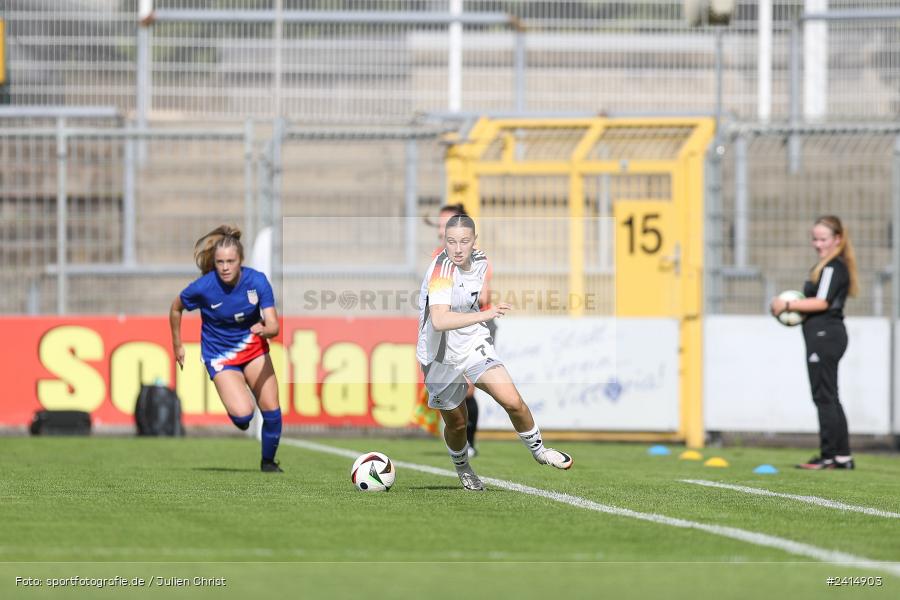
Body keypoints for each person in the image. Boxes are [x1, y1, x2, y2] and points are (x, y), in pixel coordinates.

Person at [417, 214, 573, 491]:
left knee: (512, 400)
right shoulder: (441, 272)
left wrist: (482, 315)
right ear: (445, 242)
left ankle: (540, 452)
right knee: (457, 423)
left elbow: (474, 298)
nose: (458, 248)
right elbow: (439, 321)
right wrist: (486, 315)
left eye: (464, 241)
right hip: (439, 355)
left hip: (472, 344)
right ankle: (463, 468)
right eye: (451, 242)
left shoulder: (480, 261)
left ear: (474, 241)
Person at [169, 225, 284, 473]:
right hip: (221, 355)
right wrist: (177, 344)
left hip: (253, 348)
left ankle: (268, 463)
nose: (225, 267)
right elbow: (176, 307)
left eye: (230, 261)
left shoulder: (257, 281)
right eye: (220, 262)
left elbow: (273, 323)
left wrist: (267, 330)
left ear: (240, 260)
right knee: (244, 416)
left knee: (272, 410)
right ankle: (237, 399)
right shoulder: (204, 287)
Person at [770, 215, 859, 470]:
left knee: (824, 396)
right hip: (823, 336)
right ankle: (842, 457)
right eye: (815, 239)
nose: (818, 244)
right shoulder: (827, 266)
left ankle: (829, 455)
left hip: (825, 336)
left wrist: (786, 305)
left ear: (838, 239)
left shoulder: (832, 267)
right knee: (829, 395)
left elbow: (821, 303)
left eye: (823, 239)